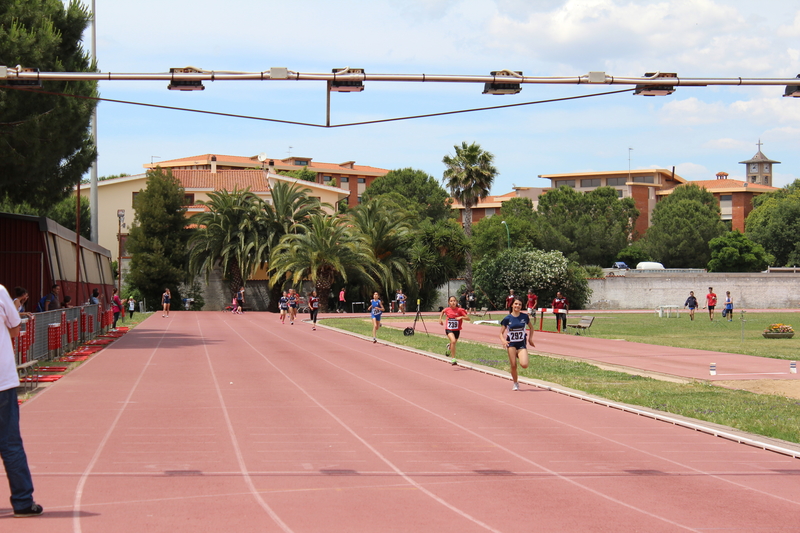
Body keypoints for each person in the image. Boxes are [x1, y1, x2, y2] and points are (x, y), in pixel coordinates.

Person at [0, 283, 43, 517]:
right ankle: (22, 501)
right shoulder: (0, 291)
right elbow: (16, 329)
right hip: (2, 381)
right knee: (10, 444)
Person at [499, 298, 535, 391]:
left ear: (521, 306)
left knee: (524, 364)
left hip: (521, 344)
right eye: (515, 304)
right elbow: (500, 333)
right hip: (511, 344)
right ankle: (515, 383)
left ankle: (519, 354)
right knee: (513, 365)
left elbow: (531, 328)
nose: (517, 306)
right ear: (512, 305)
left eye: (519, 304)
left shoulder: (524, 317)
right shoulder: (507, 319)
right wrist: (503, 340)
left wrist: (530, 339)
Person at [439, 295, 470, 364]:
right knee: (453, 341)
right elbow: (443, 311)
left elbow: (468, 318)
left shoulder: (460, 310)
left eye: (454, 301)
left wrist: (461, 317)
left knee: (453, 343)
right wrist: (440, 319)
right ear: (449, 303)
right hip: (449, 329)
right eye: (451, 301)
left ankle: (449, 348)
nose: (453, 302)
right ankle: (453, 359)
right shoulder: (447, 309)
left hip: (457, 330)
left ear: (456, 302)